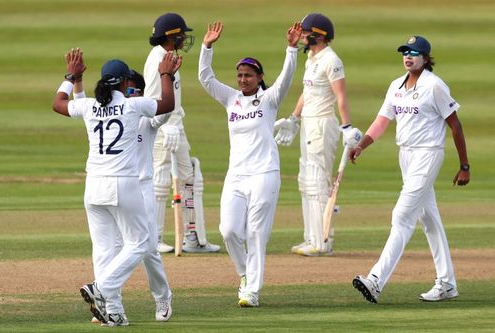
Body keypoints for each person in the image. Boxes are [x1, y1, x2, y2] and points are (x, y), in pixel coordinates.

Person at [52, 49, 180, 326]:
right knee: (141, 243)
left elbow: (58, 103)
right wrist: (166, 74)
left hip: (93, 186)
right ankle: (103, 289)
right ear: (124, 82)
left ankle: (114, 312)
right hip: (123, 183)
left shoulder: (89, 106)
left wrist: (72, 77)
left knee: (104, 249)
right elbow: (168, 103)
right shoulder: (133, 106)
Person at [350, 36, 470, 303]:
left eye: (415, 52)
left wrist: (464, 166)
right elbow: (382, 121)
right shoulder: (396, 85)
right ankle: (447, 283)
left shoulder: (435, 86)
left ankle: (375, 281)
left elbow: (456, 125)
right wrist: (361, 145)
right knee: (429, 219)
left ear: (426, 59)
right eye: (405, 51)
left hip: (428, 155)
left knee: (402, 216)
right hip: (406, 155)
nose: (408, 55)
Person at [198, 21, 301, 307]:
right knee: (229, 230)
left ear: (258, 78)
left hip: (265, 173)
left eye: (248, 75)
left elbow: (287, 78)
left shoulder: (268, 100)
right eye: (240, 75)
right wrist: (207, 47)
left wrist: (291, 48)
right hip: (237, 175)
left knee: (256, 233)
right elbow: (206, 79)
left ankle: (252, 291)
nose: (243, 79)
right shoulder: (231, 99)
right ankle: (244, 274)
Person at [274, 13, 361, 256]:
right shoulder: (311, 59)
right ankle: (311, 237)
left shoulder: (331, 60)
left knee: (318, 182)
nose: (301, 35)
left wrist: (346, 127)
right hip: (308, 124)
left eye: (304, 31)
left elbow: (341, 95)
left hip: (323, 125)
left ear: (318, 35)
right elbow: (306, 92)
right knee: (306, 182)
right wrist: (294, 117)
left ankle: (322, 240)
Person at [144, 12, 220, 253]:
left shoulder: (169, 56)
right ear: (171, 36)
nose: (184, 39)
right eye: (181, 35)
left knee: (189, 177)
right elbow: (152, 99)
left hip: (178, 125)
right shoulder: (158, 58)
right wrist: (164, 125)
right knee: (159, 180)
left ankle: (193, 238)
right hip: (163, 129)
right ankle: (153, 239)